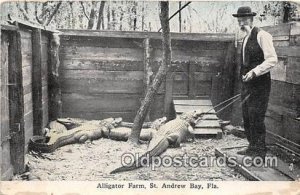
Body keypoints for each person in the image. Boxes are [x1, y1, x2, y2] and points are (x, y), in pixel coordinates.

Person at [232, 6, 278, 156]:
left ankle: (259, 152)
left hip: (260, 84)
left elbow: (272, 59)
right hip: (247, 84)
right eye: (239, 21)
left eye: (244, 20)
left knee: (256, 116)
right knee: (247, 116)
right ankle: (252, 147)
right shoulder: (245, 38)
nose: (241, 23)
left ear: (251, 19)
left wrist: (254, 72)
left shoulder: (262, 35)